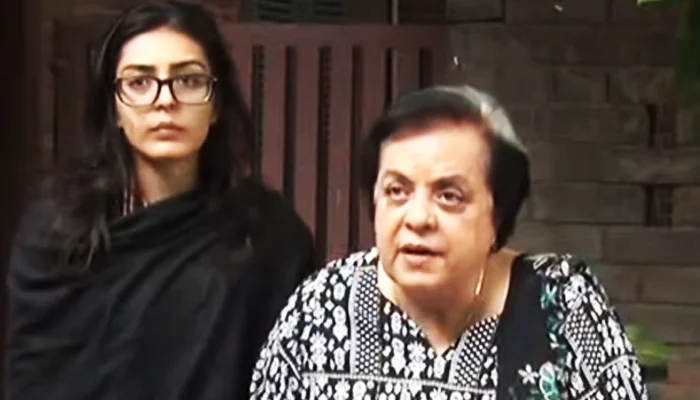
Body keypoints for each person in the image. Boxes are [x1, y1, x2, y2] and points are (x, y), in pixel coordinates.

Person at [248, 85, 648, 399]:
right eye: (397, 191)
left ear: (497, 215)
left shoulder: (562, 304)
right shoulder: (321, 307)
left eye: (449, 196)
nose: (418, 218)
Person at [5, 1, 318, 399]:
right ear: (115, 109)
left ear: (216, 104)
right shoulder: (57, 233)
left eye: (188, 80)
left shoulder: (269, 235)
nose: (165, 100)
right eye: (139, 82)